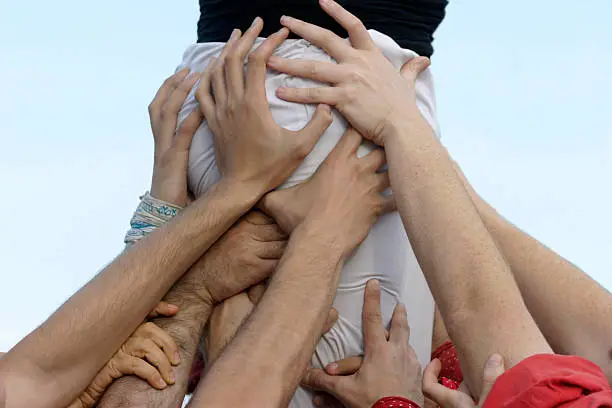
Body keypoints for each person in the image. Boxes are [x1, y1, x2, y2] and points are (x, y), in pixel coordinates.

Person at [268, 1, 612, 405]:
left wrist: (402, 126)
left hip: (325, 94)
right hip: (358, 93)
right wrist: (424, 154)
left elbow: (524, 382)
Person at [0, 31, 333, 408]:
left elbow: (27, 379)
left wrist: (161, 220)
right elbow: (28, 380)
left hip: (229, 109)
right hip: (288, 119)